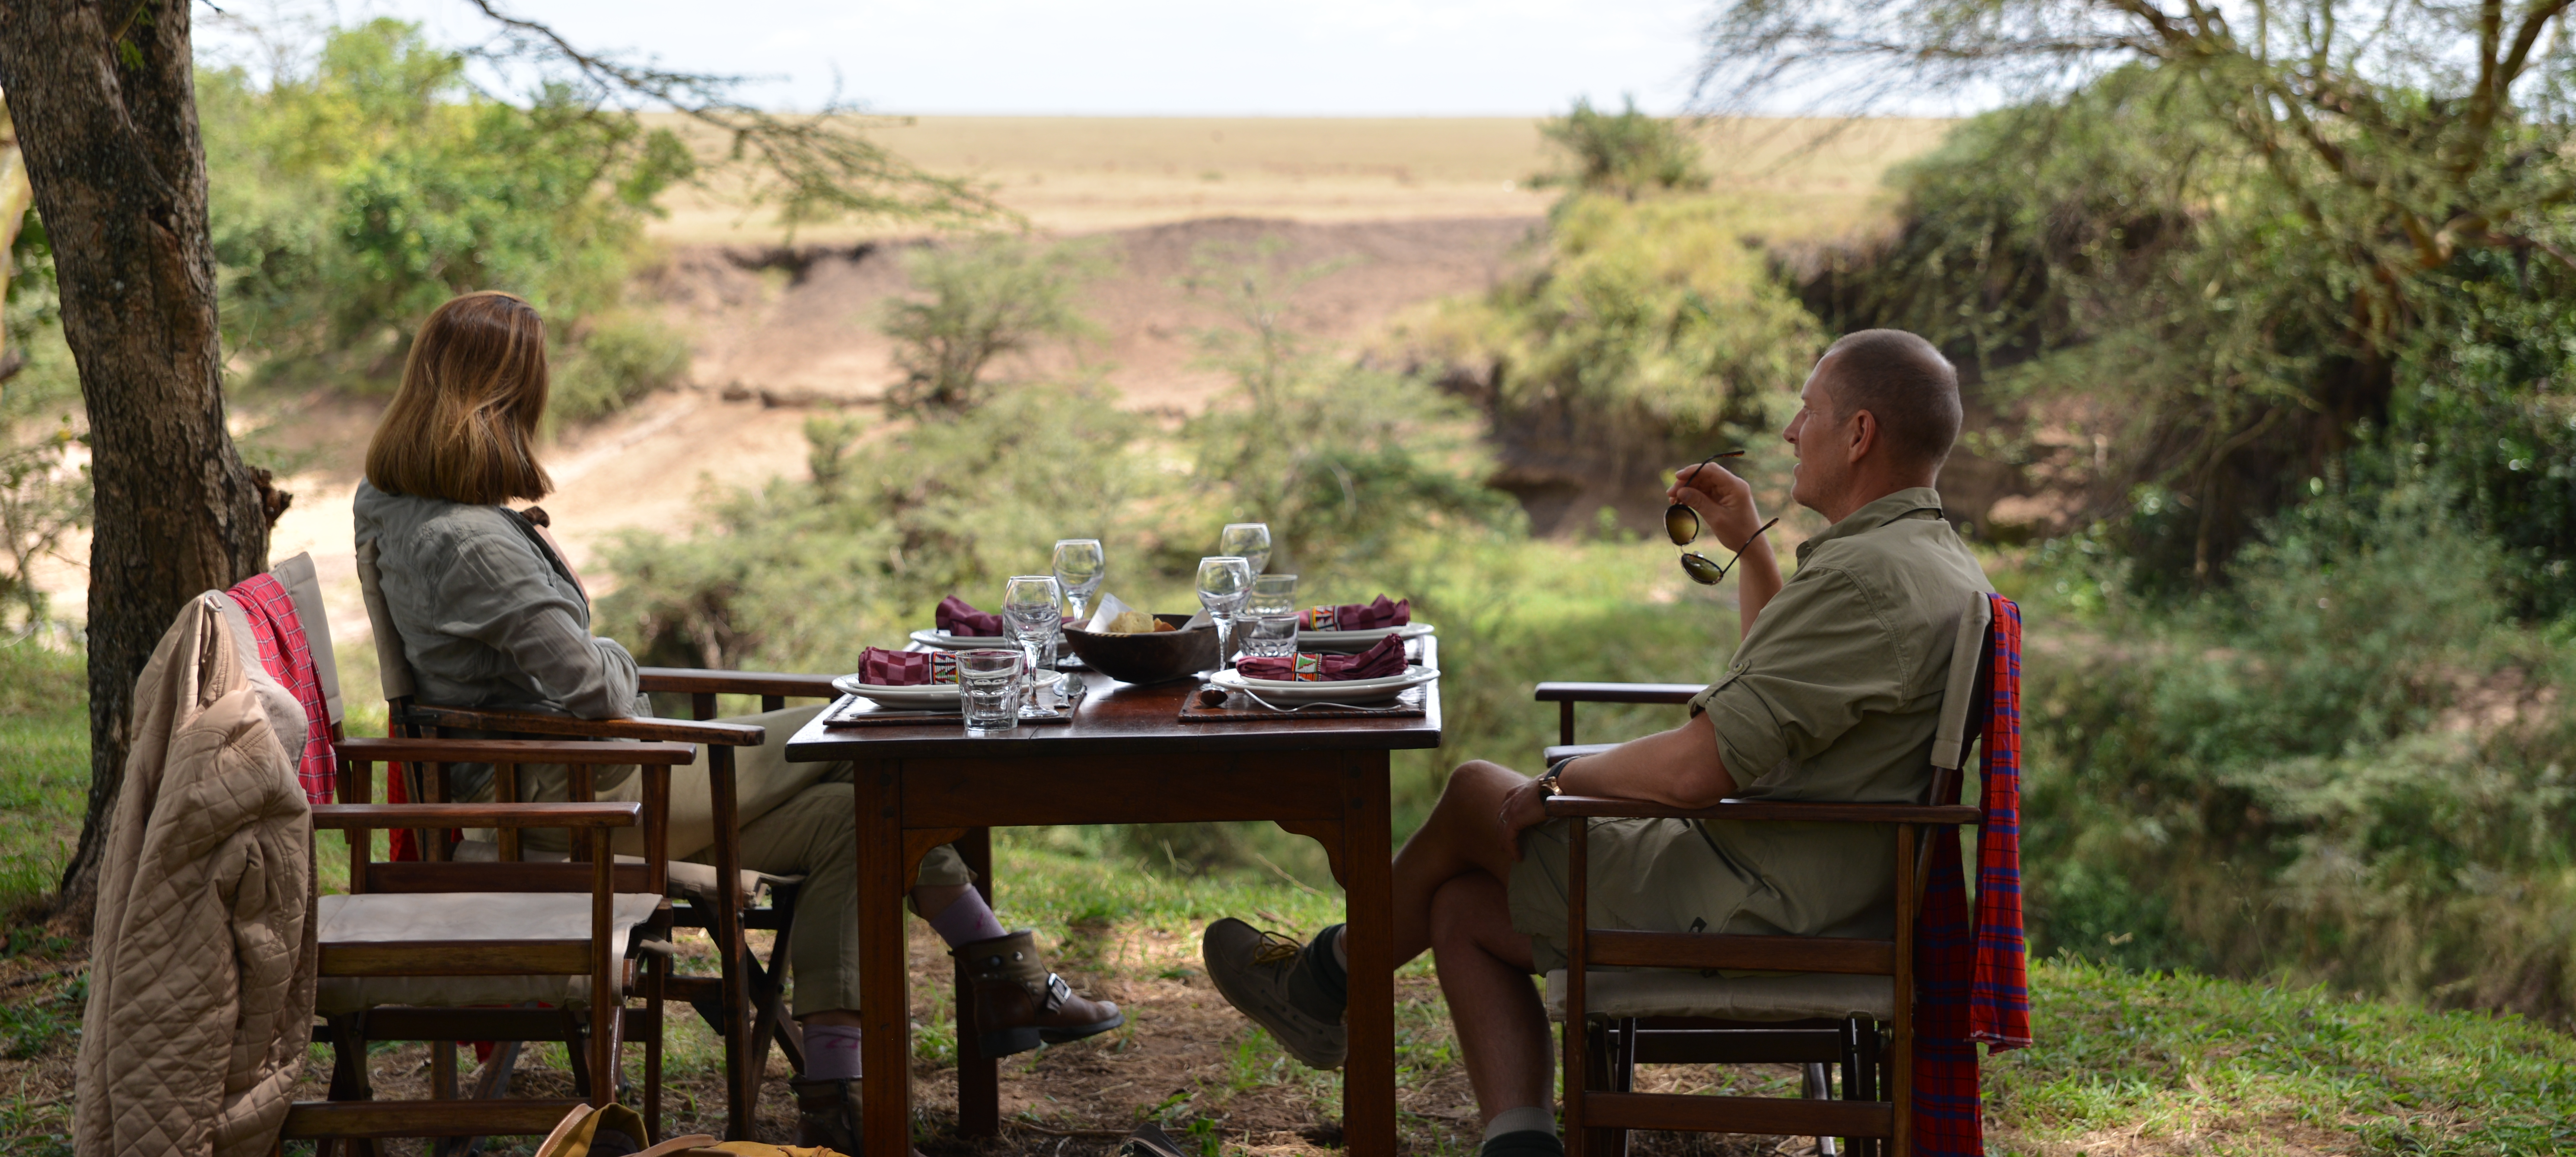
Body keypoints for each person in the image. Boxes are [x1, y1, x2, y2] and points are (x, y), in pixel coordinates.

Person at [354, 290, 1122, 1152]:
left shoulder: (389, 502)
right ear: (508, 397)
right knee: (861, 730)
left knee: (860, 818)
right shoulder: (473, 542)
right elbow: (596, 689)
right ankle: (1009, 981)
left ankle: (838, 1093)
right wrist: (620, 655)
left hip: (573, 781)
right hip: (577, 802)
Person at [1199, 328, 1993, 1157]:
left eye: (1810, 411)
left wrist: (1560, 783)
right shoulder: (1924, 561)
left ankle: (1322, 982)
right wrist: (1751, 547)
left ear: (1859, 434)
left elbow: (1697, 771)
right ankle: (1515, 1142)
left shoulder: (1862, 582)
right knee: (1462, 907)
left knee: (1477, 794)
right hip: (1815, 880)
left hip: (1763, 900)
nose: (1793, 432)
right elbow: (1782, 699)